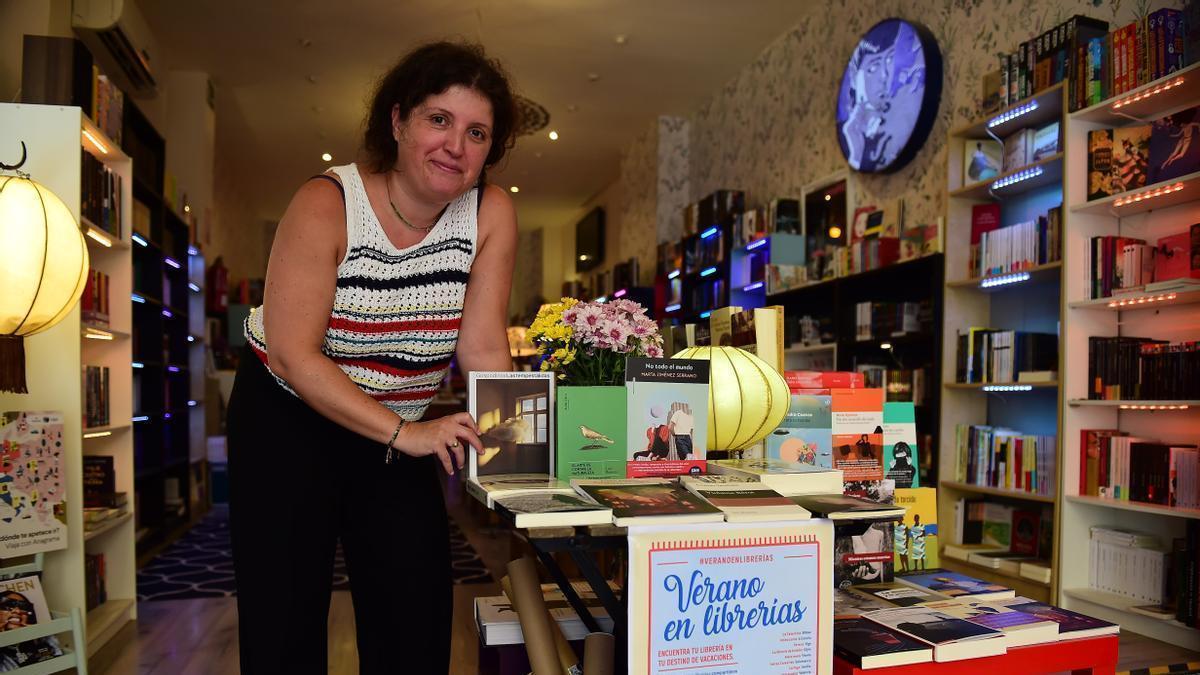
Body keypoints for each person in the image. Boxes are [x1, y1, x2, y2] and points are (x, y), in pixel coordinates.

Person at [226, 41, 518, 674]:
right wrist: (405, 434)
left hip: (398, 426)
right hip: (288, 416)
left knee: (413, 614)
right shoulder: (327, 202)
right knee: (283, 621)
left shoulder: (489, 211)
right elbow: (295, 354)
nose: (456, 146)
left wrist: (520, 455)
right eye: (438, 119)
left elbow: (483, 346)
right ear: (398, 121)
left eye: (476, 132)